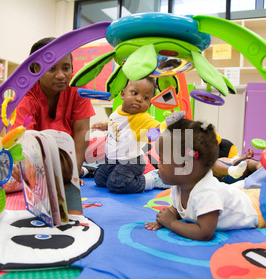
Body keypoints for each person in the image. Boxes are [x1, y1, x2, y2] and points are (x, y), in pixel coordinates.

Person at [145, 118, 265, 241]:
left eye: (162, 160)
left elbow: (204, 232)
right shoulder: (179, 185)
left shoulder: (206, 192)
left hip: (259, 209)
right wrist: (168, 216)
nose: (158, 165)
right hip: (242, 195)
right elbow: (179, 208)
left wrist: (171, 224)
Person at [10, 37, 95, 178]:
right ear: (36, 69)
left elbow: (82, 130)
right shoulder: (25, 95)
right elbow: (21, 138)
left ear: (72, 67)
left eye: (66, 68)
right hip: (36, 156)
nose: (61, 75)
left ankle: (82, 170)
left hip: (68, 155)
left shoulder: (78, 87)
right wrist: (24, 168)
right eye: (51, 68)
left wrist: (74, 174)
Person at [92, 77, 168, 194]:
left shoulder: (142, 117)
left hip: (130, 162)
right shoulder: (118, 111)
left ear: (150, 104)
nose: (139, 99)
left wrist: (167, 125)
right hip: (112, 159)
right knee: (99, 179)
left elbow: (157, 127)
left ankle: (151, 180)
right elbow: (117, 125)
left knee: (116, 185)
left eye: (145, 98)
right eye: (134, 93)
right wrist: (105, 125)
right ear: (123, 94)